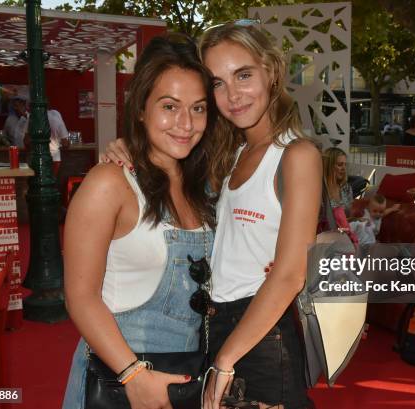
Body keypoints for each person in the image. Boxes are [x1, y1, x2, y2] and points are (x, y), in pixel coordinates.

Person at [102, 21, 323, 409]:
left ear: (271, 71)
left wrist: (225, 360)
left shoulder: (297, 155)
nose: (233, 94)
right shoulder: (233, 153)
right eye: (218, 83)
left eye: (244, 75)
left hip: (259, 337)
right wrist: (126, 147)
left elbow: (290, 273)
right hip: (216, 328)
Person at [62, 33, 218, 409]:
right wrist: (133, 374)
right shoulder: (109, 183)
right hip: (119, 380)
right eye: (169, 106)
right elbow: (80, 297)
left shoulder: (204, 186)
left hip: (186, 379)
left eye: (198, 108)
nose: (185, 123)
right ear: (141, 108)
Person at [324, 147, 353, 211]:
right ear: (329, 166)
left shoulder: (346, 188)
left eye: (345, 165)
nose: (344, 168)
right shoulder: (320, 190)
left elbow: (350, 214)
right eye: (340, 164)